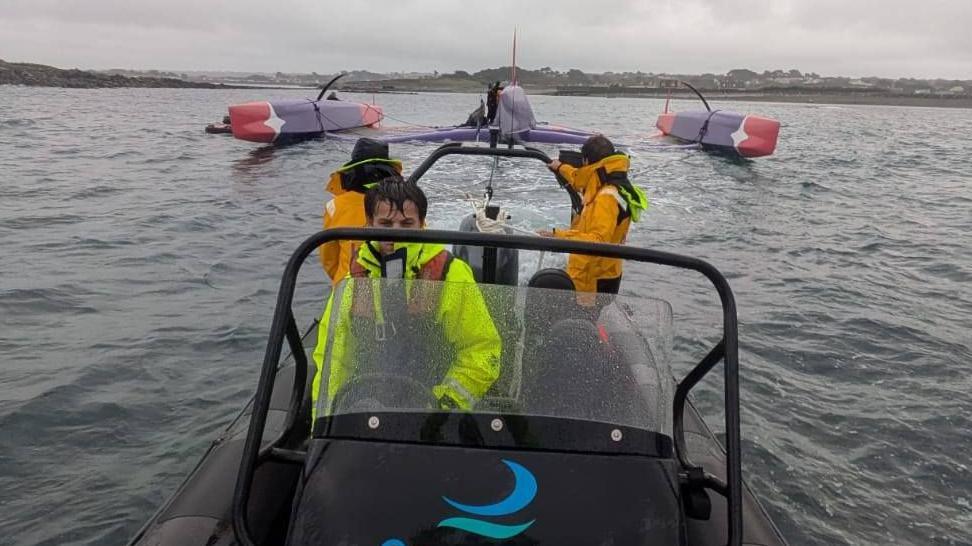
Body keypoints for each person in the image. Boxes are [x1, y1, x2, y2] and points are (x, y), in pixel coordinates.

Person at [311, 177, 501, 420]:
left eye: (406, 223)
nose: (396, 233)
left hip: (436, 411)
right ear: (369, 224)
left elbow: (482, 348)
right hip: (368, 408)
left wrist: (444, 406)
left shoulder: (450, 274)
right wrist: (326, 422)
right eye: (386, 223)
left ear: (422, 224)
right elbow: (334, 359)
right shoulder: (354, 281)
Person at [539, 134, 648, 295]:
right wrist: (560, 167)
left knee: (582, 318)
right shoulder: (613, 184)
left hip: (592, 281)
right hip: (608, 272)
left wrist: (557, 236)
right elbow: (580, 179)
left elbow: (597, 241)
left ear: (588, 162)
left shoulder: (605, 199)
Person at [319, 138, 403, 283]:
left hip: (347, 290)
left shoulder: (334, 205)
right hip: (396, 286)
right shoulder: (406, 202)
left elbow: (329, 259)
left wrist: (341, 278)